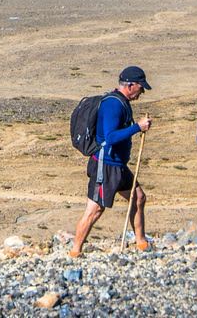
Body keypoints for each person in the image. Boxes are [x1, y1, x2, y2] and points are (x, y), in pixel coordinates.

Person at [69, 66, 153, 257]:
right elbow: (111, 137)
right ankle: (75, 251)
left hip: (118, 165)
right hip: (105, 165)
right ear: (131, 85)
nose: (142, 92)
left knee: (138, 197)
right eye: (141, 88)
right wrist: (137, 127)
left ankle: (142, 243)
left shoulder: (122, 102)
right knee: (95, 209)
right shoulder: (113, 104)